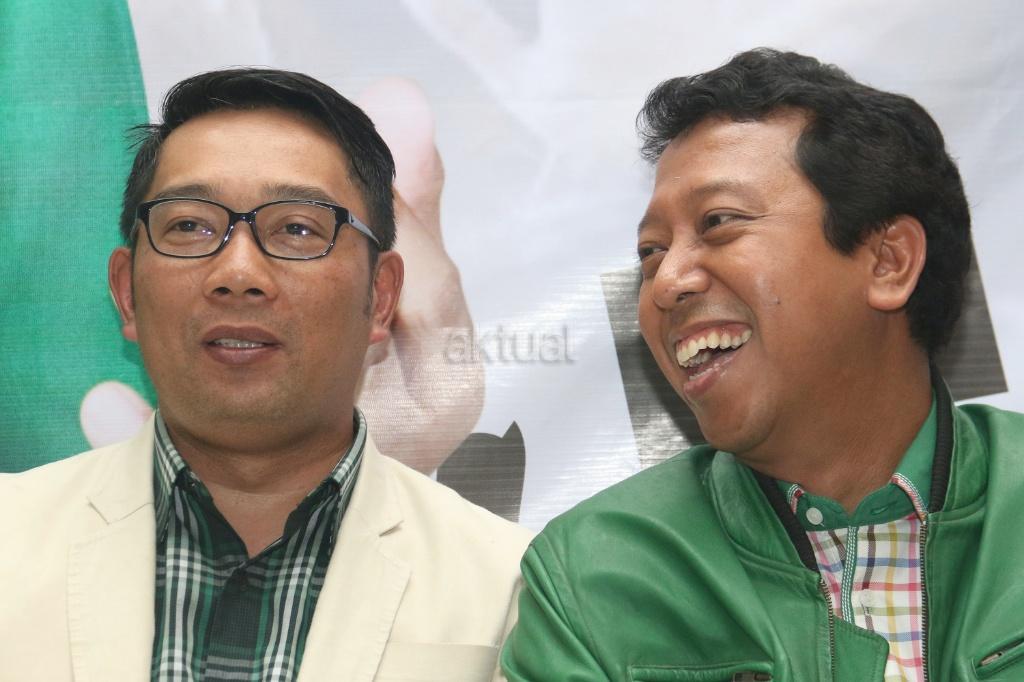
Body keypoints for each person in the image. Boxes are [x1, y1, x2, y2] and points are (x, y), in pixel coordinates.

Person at [502, 48, 1024, 681]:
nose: (666, 281)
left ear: (888, 262)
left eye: (718, 222)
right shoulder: (591, 578)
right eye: (651, 252)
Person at [0, 68, 530, 681]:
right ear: (126, 293)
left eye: (298, 229)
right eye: (190, 226)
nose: (238, 273)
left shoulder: (510, 587)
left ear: (382, 298)